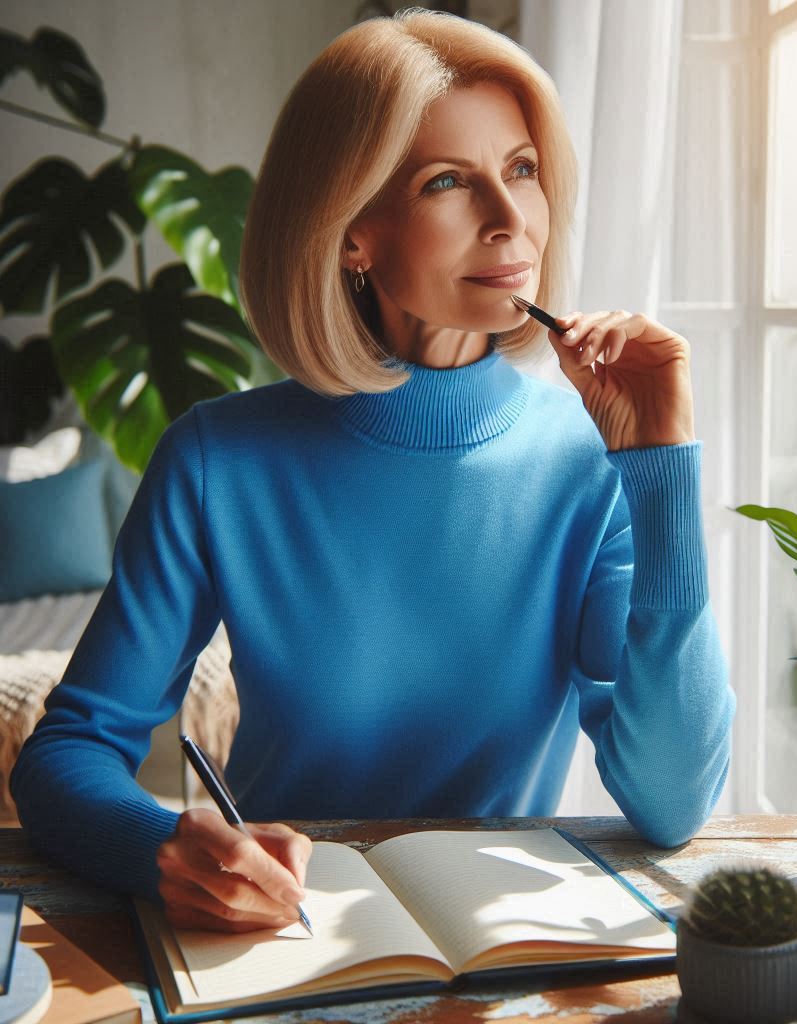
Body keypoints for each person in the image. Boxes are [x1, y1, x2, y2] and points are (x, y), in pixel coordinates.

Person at [12, 8, 736, 935]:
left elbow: (673, 802)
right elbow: (68, 749)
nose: (513, 220)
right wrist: (160, 847)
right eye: (449, 182)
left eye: (522, 169)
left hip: (506, 952)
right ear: (353, 231)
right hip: (279, 940)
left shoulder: (591, 463)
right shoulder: (215, 459)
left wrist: (661, 471)